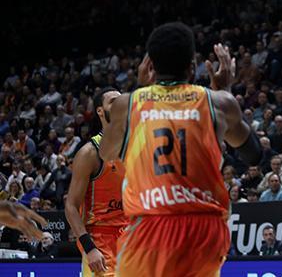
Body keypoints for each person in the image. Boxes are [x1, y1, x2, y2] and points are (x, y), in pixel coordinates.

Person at [99, 23, 260, 276]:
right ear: (192, 66)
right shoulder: (218, 103)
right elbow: (253, 154)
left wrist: (141, 91)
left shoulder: (127, 104)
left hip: (149, 226)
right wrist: (225, 92)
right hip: (203, 229)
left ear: (150, 65)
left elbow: (106, 154)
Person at [65, 87, 127, 277]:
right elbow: (71, 206)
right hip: (100, 238)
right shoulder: (89, 153)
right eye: (113, 102)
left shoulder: (135, 147)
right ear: (100, 111)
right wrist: (89, 248)